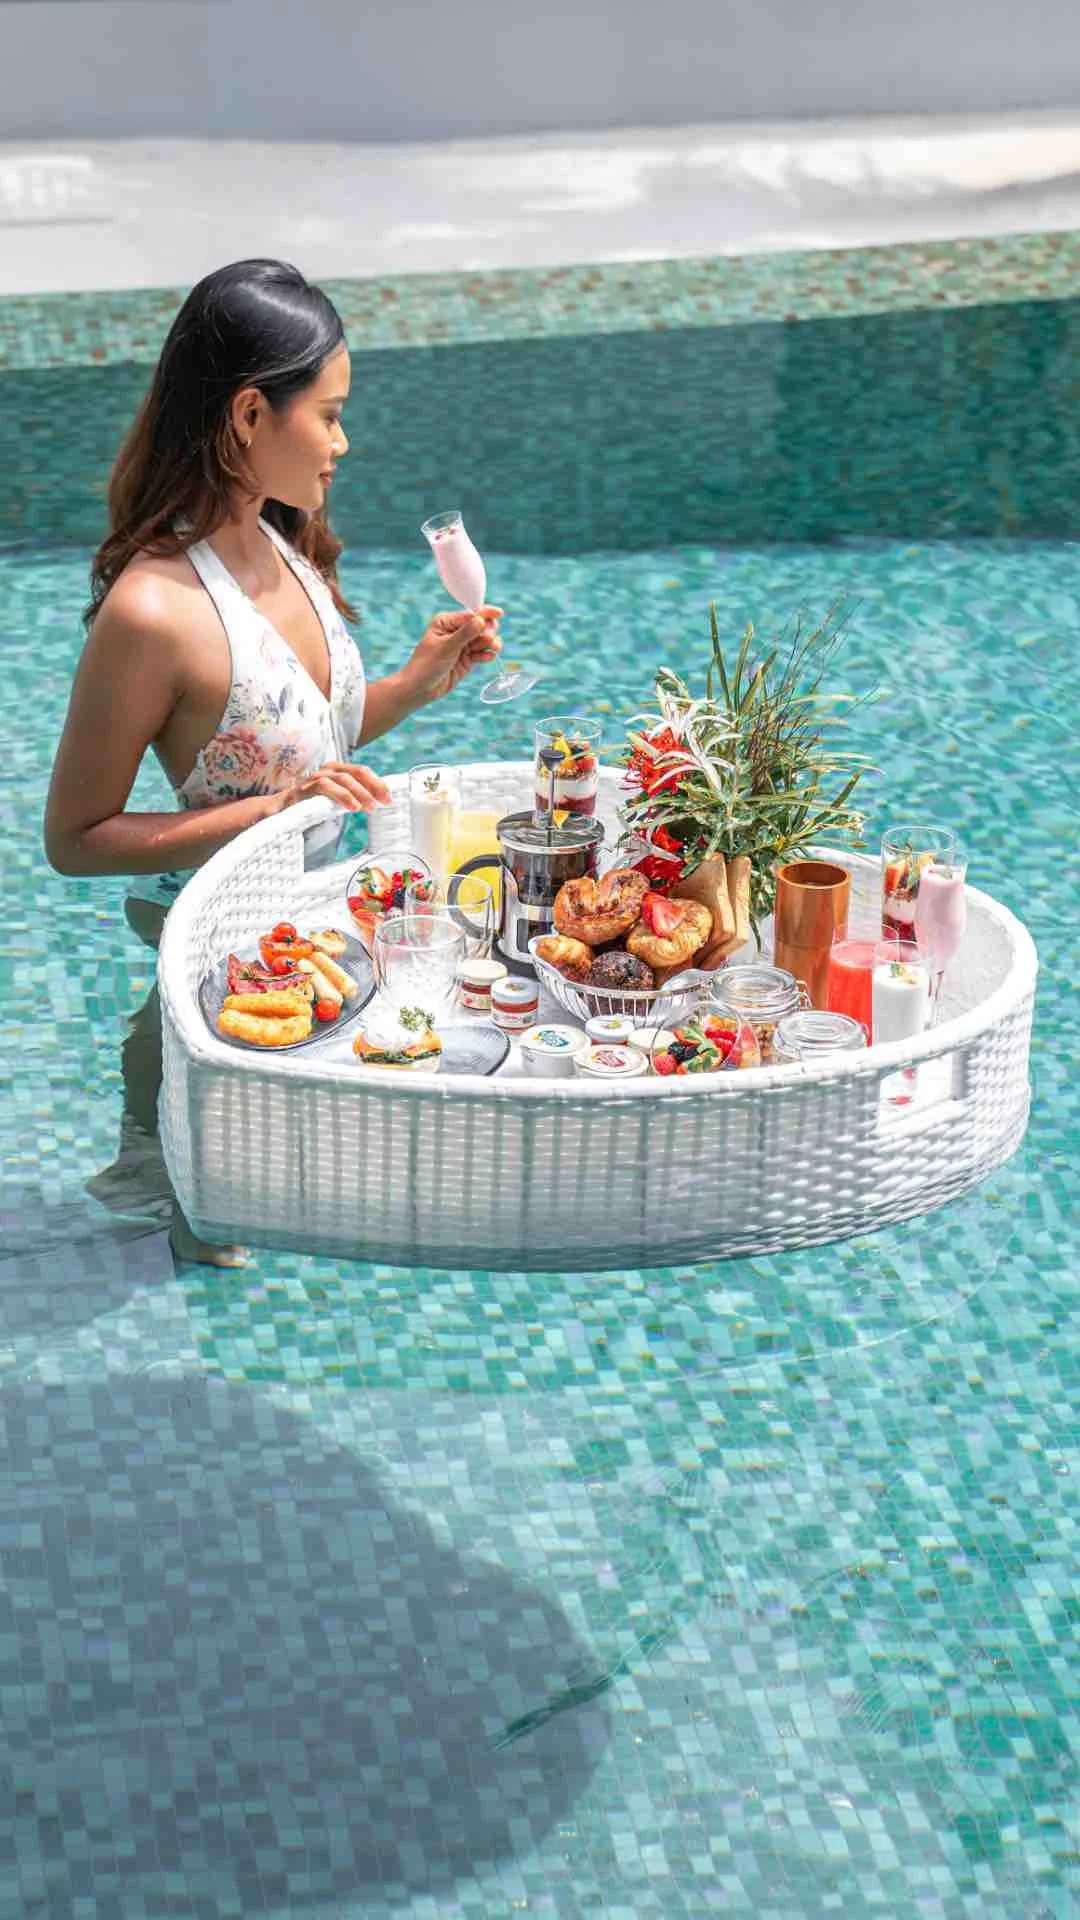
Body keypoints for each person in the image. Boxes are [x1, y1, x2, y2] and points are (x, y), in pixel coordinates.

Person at [44, 257, 502, 1266]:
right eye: (329, 414)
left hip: (307, 937)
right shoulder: (154, 610)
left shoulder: (282, 538)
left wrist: (418, 685)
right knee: (220, 1241)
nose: (343, 442)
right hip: (223, 965)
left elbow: (303, 752)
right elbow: (73, 841)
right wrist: (271, 814)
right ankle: (158, 1158)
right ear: (251, 413)